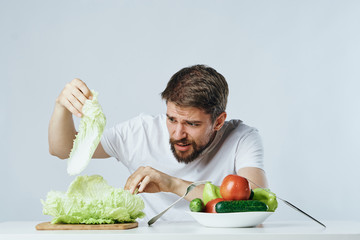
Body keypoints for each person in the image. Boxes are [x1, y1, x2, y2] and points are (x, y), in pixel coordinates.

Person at [48, 64, 268, 221]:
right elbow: (62, 149)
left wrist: (171, 184)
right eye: (171, 119)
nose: (177, 133)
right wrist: (61, 107)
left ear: (218, 121)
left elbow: (258, 201)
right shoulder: (139, 132)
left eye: (192, 124)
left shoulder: (242, 138)